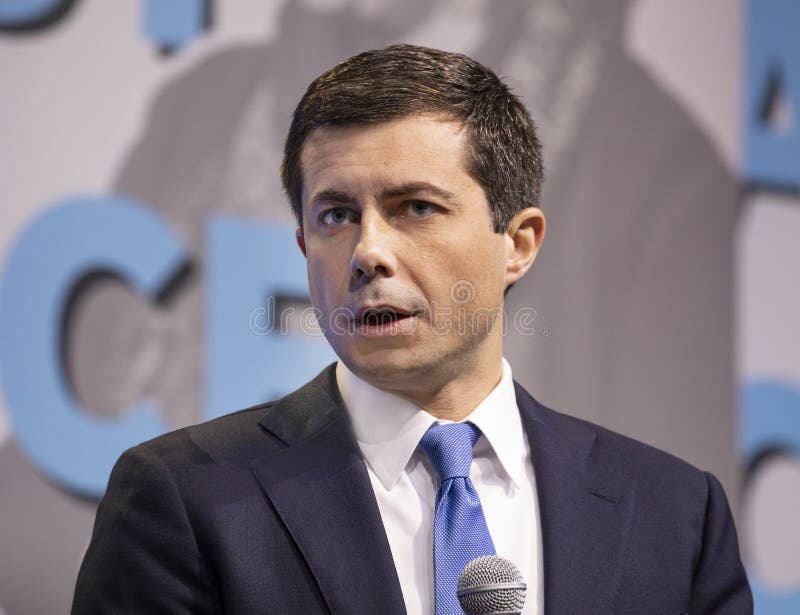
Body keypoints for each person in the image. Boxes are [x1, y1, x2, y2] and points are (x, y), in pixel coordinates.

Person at [72, 44, 752, 614]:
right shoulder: (185, 499)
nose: (369, 251)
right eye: (336, 215)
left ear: (517, 242)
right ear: (305, 247)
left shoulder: (674, 513)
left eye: (416, 207)